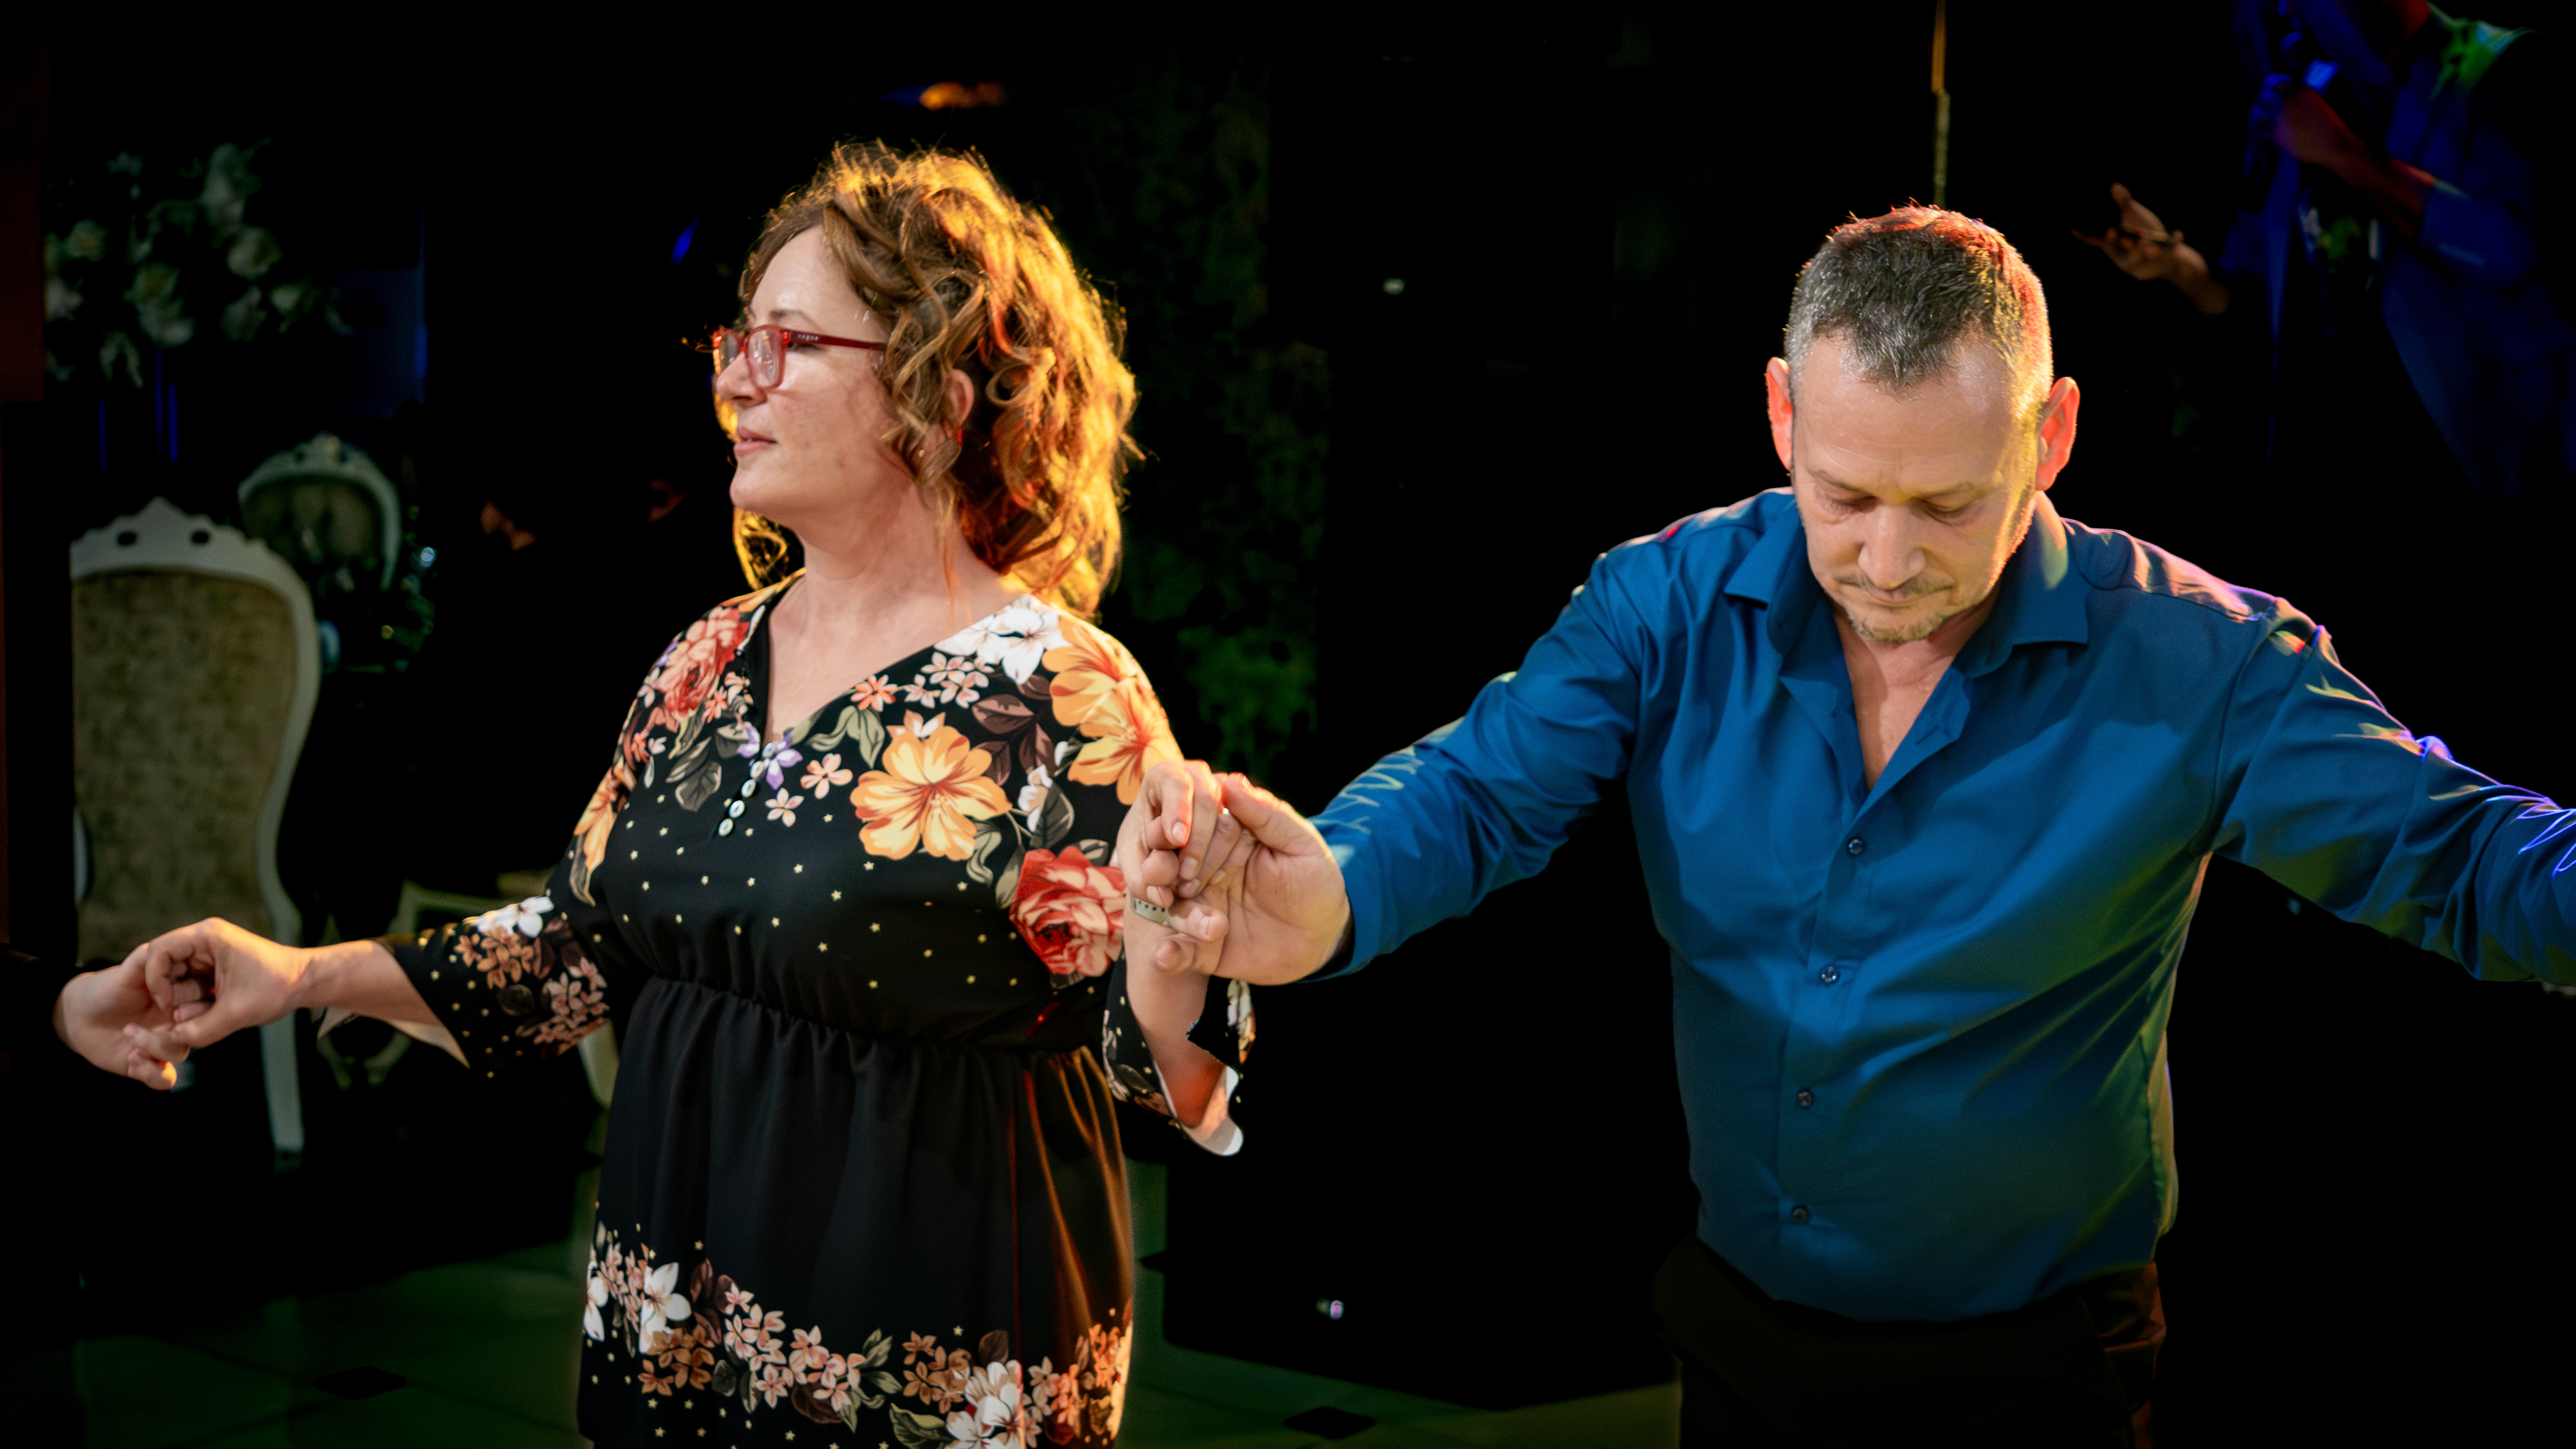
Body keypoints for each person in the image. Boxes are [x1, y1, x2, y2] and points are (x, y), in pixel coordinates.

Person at [1113, 207, 2576, 1448]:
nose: (1888, 558)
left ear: (2052, 435)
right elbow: (1478, 788)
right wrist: (1337, 884)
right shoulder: (1667, 601)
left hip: (2035, 1368)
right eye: (1846, 495)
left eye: (1949, 505)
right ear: (1781, 417)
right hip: (1737, 1334)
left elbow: (2462, 859)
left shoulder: (2201, 660)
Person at [107, 145, 1248, 1449]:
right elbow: (569, 954)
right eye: (733, 341)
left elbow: (1172, 1075)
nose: (733, 380)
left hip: (923, 1323)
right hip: (679, 1302)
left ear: (936, 395)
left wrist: (1175, 935)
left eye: (788, 343)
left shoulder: (1058, 696)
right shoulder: (707, 656)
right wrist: (294, 976)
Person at [2076, 0, 2570, 497]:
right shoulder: (2293, 102)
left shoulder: (2499, 66)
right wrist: (2176, 266)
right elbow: (2250, 305)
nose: (2286, 8)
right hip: (2330, 468)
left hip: (2483, 464)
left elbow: (2513, 251)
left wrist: (2344, 153)